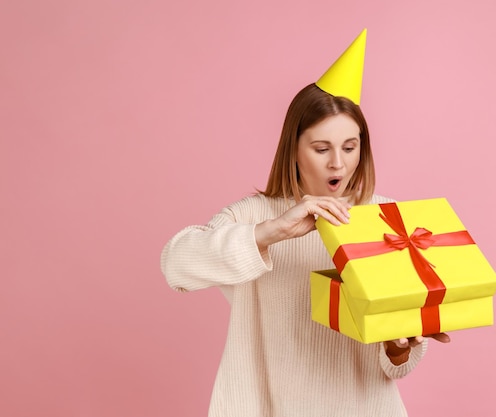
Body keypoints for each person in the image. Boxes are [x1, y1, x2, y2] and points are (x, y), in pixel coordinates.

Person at [160, 30, 449, 417]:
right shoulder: (254, 216)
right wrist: (273, 232)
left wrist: (400, 345)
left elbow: (397, 366)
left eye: (350, 147)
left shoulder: (390, 221)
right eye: (321, 149)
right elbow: (175, 265)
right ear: (293, 149)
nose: (338, 164)